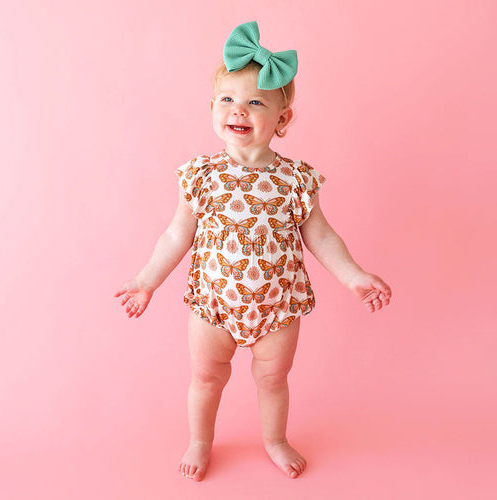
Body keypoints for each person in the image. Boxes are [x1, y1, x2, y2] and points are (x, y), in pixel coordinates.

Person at [114, 21, 392, 481]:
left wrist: (354, 275)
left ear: (282, 119)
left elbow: (321, 236)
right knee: (206, 378)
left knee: (274, 379)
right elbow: (176, 235)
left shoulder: (296, 179)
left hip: (277, 307)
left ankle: (275, 439)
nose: (238, 110)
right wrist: (146, 281)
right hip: (214, 305)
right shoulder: (201, 176)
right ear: (212, 108)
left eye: (256, 102)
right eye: (227, 99)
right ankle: (200, 440)